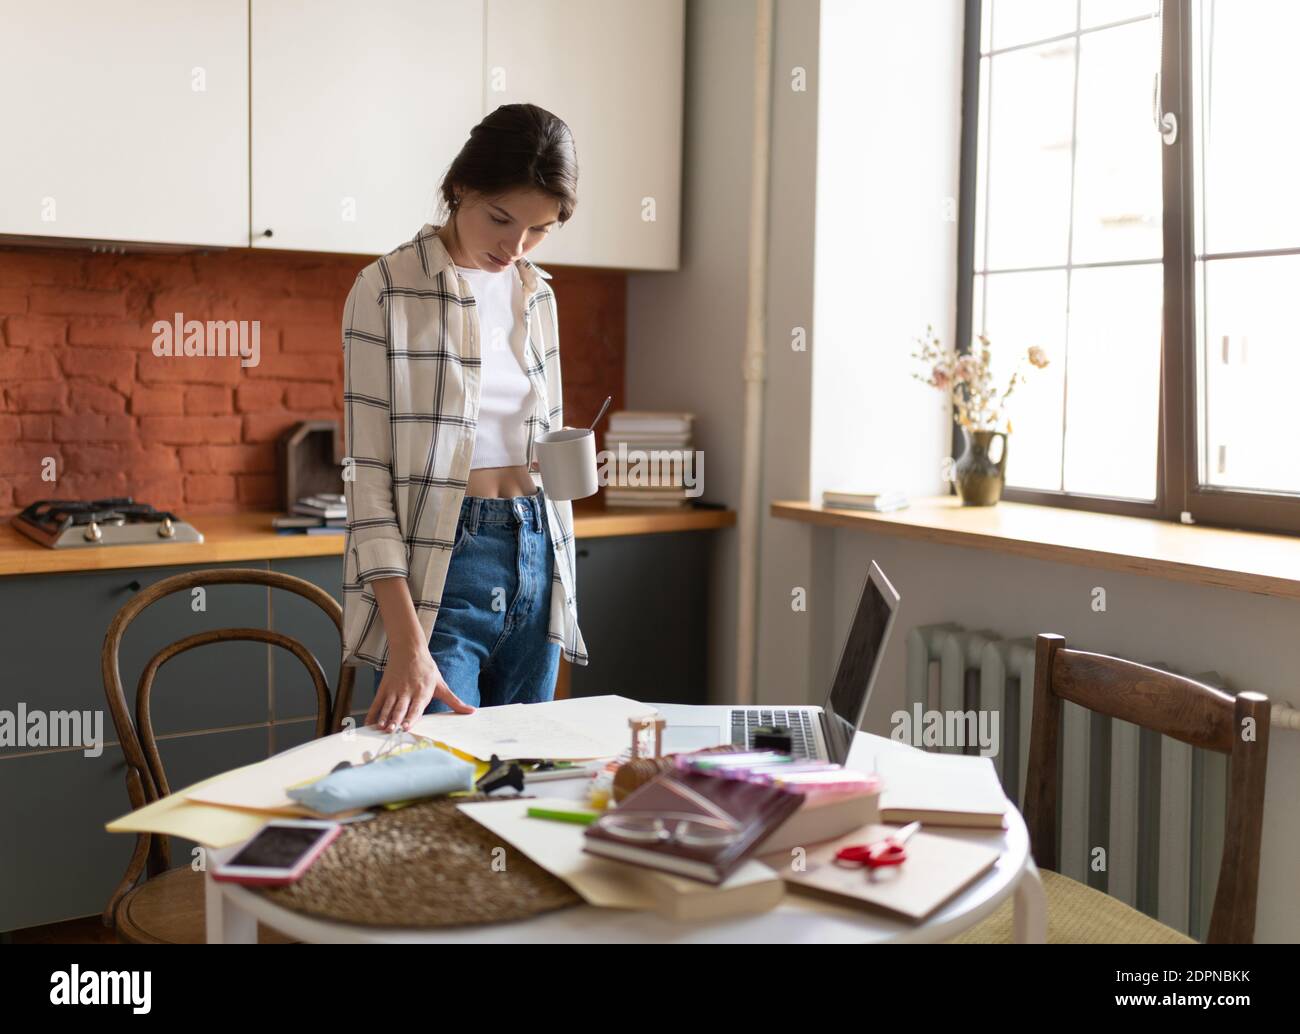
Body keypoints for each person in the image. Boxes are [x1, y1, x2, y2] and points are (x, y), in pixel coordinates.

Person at [339, 103, 589, 734]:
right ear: (459, 188)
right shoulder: (386, 289)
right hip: (444, 572)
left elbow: (542, 440)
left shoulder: (539, 294)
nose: (515, 246)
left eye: (539, 230)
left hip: (539, 548)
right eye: (500, 219)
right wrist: (408, 644)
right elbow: (366, 480)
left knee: (525, 779)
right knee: (437, 777)